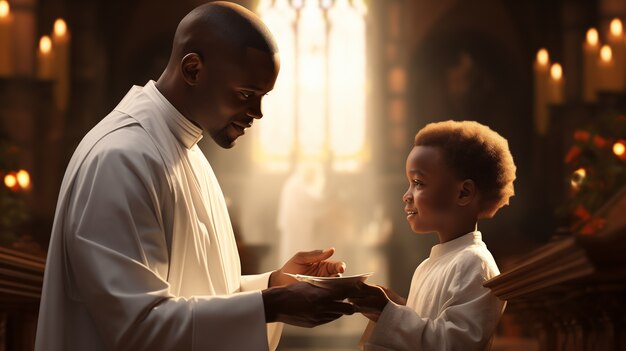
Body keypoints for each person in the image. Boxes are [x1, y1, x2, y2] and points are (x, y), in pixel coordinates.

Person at [35, 2, 355, 350]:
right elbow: (137, 327)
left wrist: (274, 286)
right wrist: (272, 305)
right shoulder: (122, 157)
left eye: (262, 97)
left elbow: (203, 291)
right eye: (246, 94)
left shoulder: (187, 151)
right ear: (193, 69)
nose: (257, 113)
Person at [349, 120, 516, 350]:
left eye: (418, 182)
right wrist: (391, 306)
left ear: (464, 192)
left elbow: (454, 344)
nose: (406, 196)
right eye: (409, 183)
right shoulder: (427, 266)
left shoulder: (474, 263)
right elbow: (425, 326)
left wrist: (387, 313)